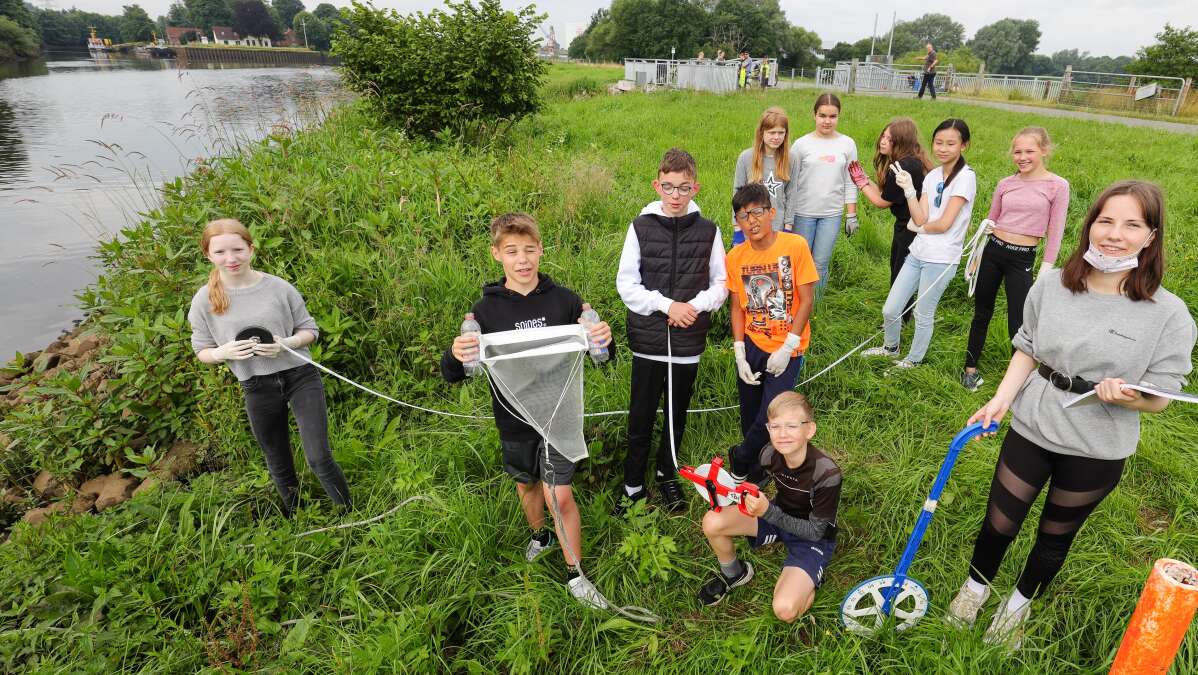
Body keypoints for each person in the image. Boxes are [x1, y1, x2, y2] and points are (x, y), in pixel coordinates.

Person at [947, 180, 1195, 650]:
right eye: (1106, 221)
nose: (1115, 234)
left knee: (1055, 535)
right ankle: (973, 591)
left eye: (1132, 225)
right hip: (1034, 423)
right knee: (999, 521)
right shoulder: (1052, 284)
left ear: (1151, 236)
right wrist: (1000, 400)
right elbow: (1027, 349)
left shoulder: (1170, 314)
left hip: (1097, 445)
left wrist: (1128, 398)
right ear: (1089, 225)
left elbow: (1161, 396)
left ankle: (1016, 608)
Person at [443, 213, 614, 609]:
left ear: (541, 250)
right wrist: (456, 354)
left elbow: (602, 356)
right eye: (511, 251)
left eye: (529, 250)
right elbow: (455, 373)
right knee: (527, 485)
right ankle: (541, 536)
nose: (522, 260)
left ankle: (576, 575)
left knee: (560, 496)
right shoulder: (485, 311)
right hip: (513, 419)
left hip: (559, 417)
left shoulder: (565, 300)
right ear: (496, 254)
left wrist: (602, 339)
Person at [188, 218, 350, 517]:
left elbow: (310, 330)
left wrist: (287, 343)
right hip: (256, 385)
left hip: (300, 377)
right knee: (278, 461)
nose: (231, 258)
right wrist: (222, 352)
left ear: (251, 249)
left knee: (318, 457)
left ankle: (349, 512)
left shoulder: (278, 287)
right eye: (220, 252)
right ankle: (298, 516)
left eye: (238, 249)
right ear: (208, 255)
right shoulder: (204, 300)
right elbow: (202, 350)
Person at [616, 148, 728, 514]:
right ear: (657, 185)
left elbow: (720, 283)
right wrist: (667, 306)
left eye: (683, 188)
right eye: (668, 187)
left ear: (695, 188)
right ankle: (633, 484)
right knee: (641, 414)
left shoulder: (709, 231)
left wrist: (692, 307)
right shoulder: (640, 227)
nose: (675, 196)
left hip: (687, 340)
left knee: (675, 412)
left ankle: (667, 474)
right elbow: (627, 284)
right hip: (648, 340)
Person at [697, 392, 842, 624]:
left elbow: (816, 531)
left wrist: (767, 512)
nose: (782, 434)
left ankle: (810, 581)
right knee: (712, 522)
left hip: (812, 538)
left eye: (792, 426)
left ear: (810, 430)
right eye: (775, 426)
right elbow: (755, 485)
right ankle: (735, 574)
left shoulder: (827, 474)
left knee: (785, 610)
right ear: (768, 429)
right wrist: (747, 494)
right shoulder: (768, 454)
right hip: (777, 514)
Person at [961, 127, 1070, 392]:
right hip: (993, 252)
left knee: (1019, 323)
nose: (1022, 157)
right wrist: (977, 254)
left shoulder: (1057, 186)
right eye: (1017, 152)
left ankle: (1016, 381)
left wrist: (1046, 268)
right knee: (981, 313)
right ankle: (970, 369)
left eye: (1029, 151)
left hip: (1022, 260)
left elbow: (1055, 232)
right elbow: (991, 219)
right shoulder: (1005, 183)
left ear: (1044, 151)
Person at [861, 118, 975, 370]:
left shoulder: (965, 178)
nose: (943, 148)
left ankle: (913, 360)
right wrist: (910, 192)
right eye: (938, 142)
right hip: (917, 252)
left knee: (923, 313)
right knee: (891, 309)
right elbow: (920, 217)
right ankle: (890, 348)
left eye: (950, 144)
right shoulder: (933, 175)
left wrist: (919, 227)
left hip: (941, 258)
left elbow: (943, 224)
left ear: (963, 145)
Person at [725, 183, 818, 485]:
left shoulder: (795, 246)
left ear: (771, 212)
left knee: (772, 413)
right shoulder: (735, 257)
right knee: (749, 412)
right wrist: (739, 350)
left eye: (757, 213)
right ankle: (757, 468)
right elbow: (737, 307)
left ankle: (740, 457)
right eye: (743, 216)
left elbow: (806, 300)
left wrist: (789, 345)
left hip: (787, 347)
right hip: (753, 342)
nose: (751, 221)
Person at [847, 117, 933, 289]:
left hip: (909, 228)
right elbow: (886, 193)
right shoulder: (913, 160)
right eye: (883, 136)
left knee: (900, 275)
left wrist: (861, 183)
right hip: (916, 226)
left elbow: (881, 202)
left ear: (902, 142)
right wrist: (866, 179)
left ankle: (901, 306)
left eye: (890, 139)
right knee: (905, 273)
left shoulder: (902, 167)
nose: (883, 141)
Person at [790, 93, 859, 297]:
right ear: (814, 115)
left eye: (832, 116)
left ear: (839, 116)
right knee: (800, 262)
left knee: (820, 263)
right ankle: (797, 303)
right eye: (822, 116)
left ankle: (815, 306)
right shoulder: (801, 144)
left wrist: (851, 215)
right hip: (802, 213)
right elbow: (790, 182)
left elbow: (851, 180)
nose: (827, 121)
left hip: (831, 214)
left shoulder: (848, 144)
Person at [731, 107, 800, 246]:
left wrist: (788, 227)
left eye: (781, 133)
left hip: (777, 226)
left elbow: (792, 194)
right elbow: (736, 194)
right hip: (750, 226)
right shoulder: (746, 157)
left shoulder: (792, 159)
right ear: (762, 132)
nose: (776, 137)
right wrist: (737, 229)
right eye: (772, 132)